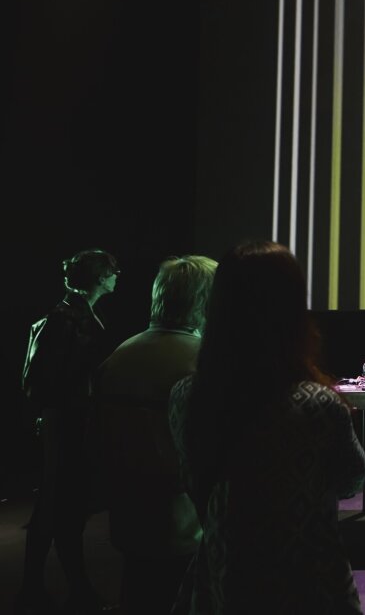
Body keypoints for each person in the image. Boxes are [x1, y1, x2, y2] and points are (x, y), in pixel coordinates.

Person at [168, 240, 365, 614]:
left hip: (221, 583)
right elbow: (352, 479)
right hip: (309, 586)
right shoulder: (317, 405)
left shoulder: (184, 397)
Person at [90, 255, 218, 615]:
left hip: (128, 518)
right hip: (187, 526)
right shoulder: (204, 362)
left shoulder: (118, 356)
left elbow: (94, 443)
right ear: (206, 300)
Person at [17, 248, 121, 614]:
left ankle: (59, 588)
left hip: (64, 424)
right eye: (112, 271)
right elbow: (50, 381)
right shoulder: (66, 320)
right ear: (99, 277)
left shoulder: (70, 316)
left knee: (58, 508)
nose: (117, 276)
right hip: (67, 426)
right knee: (59, 508)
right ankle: (59, 589)